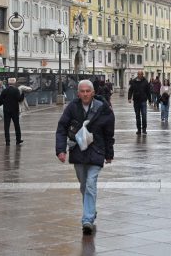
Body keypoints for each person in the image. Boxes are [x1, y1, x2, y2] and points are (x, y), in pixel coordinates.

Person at [56, 80, 115, 235]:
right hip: (78, 152)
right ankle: (91, 210)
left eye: (88, 91)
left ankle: (87, 219)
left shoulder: (103, 109)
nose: (85, 94)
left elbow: (109, 134)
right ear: (78, 93)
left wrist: (109, 154)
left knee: (90, 183)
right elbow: (61, 128)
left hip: (96, 151)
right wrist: (60, 150)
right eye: (82, 91)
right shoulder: (72, 108)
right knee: (84, 185)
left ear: (93, 92)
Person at [0, 77, 23, 146]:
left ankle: (7, 141)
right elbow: (19, 99)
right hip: (15, 110)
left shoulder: (5, 90)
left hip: (6, 110)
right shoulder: (16, 90)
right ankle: (18, 140)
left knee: (6, 126)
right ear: (14, 83)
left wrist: (5, 103)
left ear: (8, 83)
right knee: (17, 125)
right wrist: (23, 95)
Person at [127, 70, 150, 135]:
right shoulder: (134, 81)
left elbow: (148, 91)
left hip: (143, 101)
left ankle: (144, 129)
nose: (140, 75)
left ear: (142, 75)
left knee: (144, 115)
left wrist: (150, 100)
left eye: (141, 74)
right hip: (136, 101)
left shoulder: (145, 82)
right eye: (139, 74)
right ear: (137, 75)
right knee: (137, 116)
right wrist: (129, 98)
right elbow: (130, 90)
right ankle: (139, 130)